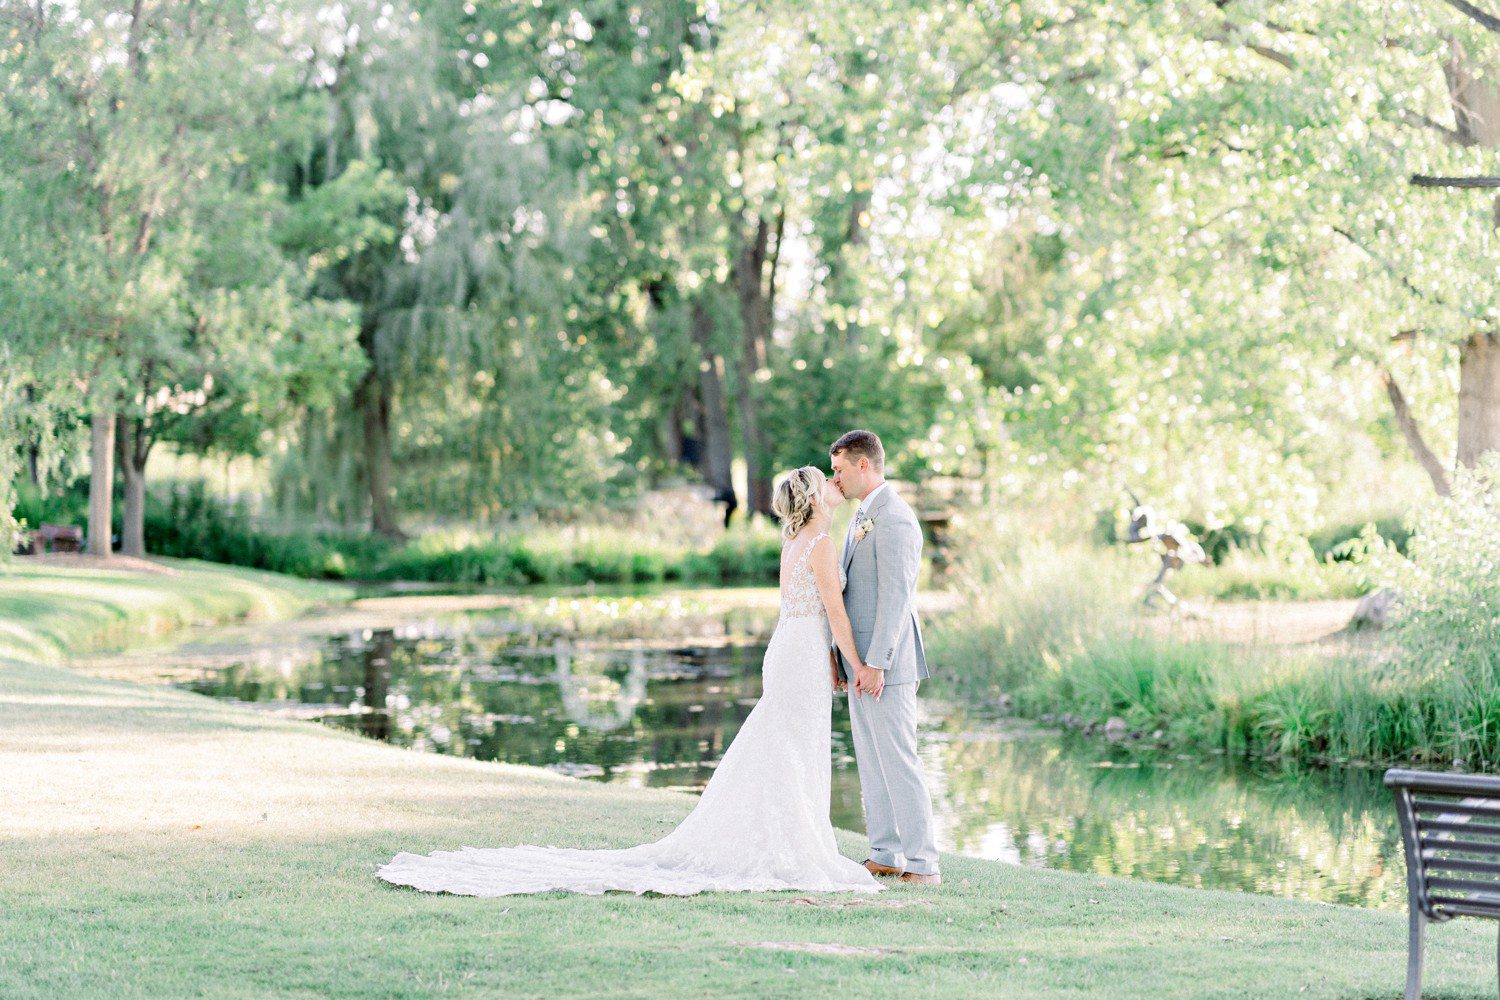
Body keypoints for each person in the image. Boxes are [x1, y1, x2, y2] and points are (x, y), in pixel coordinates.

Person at [376, 466, 881, 896]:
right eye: (827, 481)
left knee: (787, 747)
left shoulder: (795, 540)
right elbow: (834, 616)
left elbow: (808, 613)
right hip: (800, 656)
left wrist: (834, 661)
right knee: (793, 746)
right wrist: (857, 665)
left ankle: (794, 841)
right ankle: (797, 848)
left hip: (791, 650)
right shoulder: (818, 542)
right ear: (814, 497)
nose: (835, 484)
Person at [828, 429, 940, 886]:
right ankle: (886, 852)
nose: (835, 478)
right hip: (861, 663)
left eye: (839, 469)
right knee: (872, 759)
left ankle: (923, 862)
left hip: (885, 665)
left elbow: (896, 598)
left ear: (863, 465)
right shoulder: (862, 516)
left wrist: (877, 663)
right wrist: (847, 659)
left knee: (898, 757)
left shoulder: (894, 518)